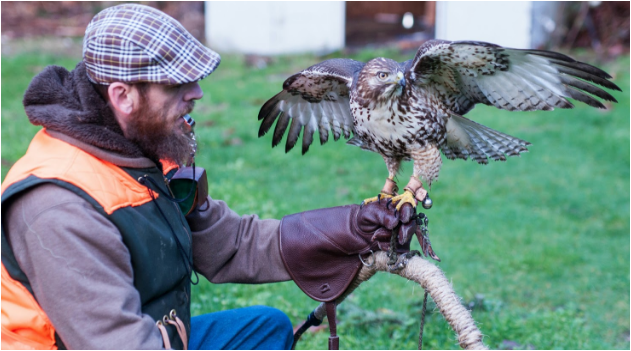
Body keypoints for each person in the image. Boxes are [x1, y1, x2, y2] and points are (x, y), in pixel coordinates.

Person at [1, 4, 419, 350]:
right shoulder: (59, 207)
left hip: (154, 338)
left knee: (266, 330)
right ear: (122, 96)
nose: (197, 92)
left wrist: (351, 230)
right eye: (177, 84)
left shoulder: (138, 154)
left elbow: (233, 246)